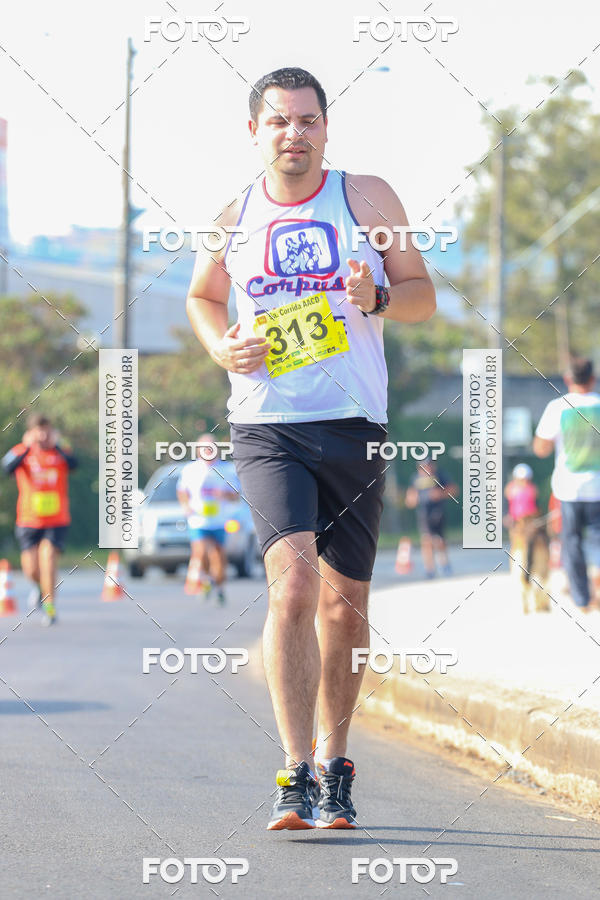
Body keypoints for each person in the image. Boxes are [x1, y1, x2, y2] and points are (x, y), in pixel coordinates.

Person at [186, 67, 435, 829]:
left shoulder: (368, 199)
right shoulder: (233, 215)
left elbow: (423, 296)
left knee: (344, 604)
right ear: (254, 132)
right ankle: (294, 773)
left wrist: (380, 298)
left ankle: (336, 765)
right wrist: (221, 348)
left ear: (326, 128)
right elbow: (203, 296)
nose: (294, 133)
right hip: (267, 424)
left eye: (307, 120)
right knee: (293, 589)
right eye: (279, 122)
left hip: (354, 422)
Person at [534, 357, 600, 611]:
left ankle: (583, 599)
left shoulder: (557, 408)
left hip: (569, 489)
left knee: (571, 543)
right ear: (593, 379)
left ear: (568, 379)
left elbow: (540, 448)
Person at [1, 413, 77, 625]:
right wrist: (26, 447)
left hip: (56, 519)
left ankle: (50, 608)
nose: (43, 435)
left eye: (46, 430)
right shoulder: (22, 451)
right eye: (39, 431)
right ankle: (39, 587)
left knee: (48, 557)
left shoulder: (60, 452)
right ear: (31, 432)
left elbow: (74, 464)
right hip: (28, 520)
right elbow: (7, 467)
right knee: (31, 569)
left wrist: (59, 444)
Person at [176, 434, 239, 605]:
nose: (208, 452)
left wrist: (224, 494)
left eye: (211, 448)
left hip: (220, 520)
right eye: (204, 448)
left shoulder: (227, 470)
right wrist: (186, 506)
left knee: (218, 557)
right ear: (198, 450)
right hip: (198, 520)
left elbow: (236, 496)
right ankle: (205, 580)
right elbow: (182, 491)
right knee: (200, 552)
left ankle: (219, 587)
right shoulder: (190, 470)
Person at [504, 463, 550, 613]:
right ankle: (524, 600)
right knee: (520, 560)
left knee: (538, 561)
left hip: (532, 525)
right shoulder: (510, 489)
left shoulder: (532, 490)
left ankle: (539, 601)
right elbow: (509, 508)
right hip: (518, 528)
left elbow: (536, 509)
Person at [405, 459, 458, 578]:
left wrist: (441, 494)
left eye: (429, 465)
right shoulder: (415, 478)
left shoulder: (440, 475)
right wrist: (413, 499)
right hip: (423, 514)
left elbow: (454, 489)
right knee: (426, 541)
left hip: (438, 512)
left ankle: (444, 564)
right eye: (424, 466)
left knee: (440, 541)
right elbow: (410, 498)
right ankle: (430, 569)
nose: (427, 468)